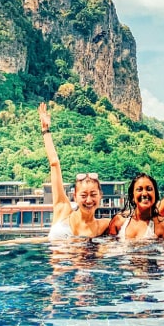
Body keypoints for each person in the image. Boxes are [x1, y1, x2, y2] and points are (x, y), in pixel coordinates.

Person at [40, 102, 111, 239]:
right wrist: (45, 130)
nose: (88, 200)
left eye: (93, 194)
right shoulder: (63, 209)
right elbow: (54, 163)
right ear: (75, 197)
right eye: (83, 195)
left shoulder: (104, 226)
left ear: (100, 196)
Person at [106, 172, 164, 240]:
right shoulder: (119, 221)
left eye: (149, 189)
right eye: (139, 189)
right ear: (132, 196)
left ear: (155, 195)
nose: (144, 193)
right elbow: (108, 246)